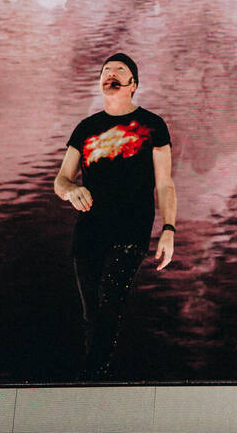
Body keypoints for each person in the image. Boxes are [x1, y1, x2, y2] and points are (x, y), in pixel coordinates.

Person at [53, 53, 176, 379]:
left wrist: (168, 228)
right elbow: (61, 179)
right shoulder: (86, 128)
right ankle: (96, 381)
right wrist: (70, 191)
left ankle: (92, 383)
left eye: (120, 71)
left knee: (110, 302)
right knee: (91, 312)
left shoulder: (153, 125)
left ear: (133, 84)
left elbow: (164, 183)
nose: (111, 74)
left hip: (131, 228)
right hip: (89, 230)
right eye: (106, 70)